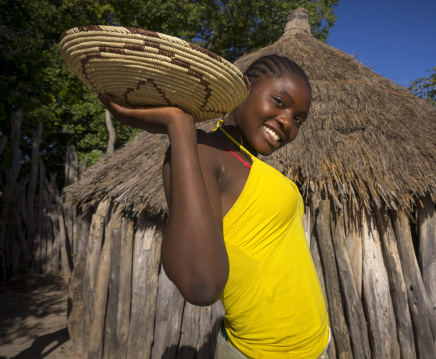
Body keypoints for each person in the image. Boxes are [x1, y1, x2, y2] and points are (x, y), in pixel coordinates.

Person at [99, 54, 330, 358]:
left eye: (298, 119)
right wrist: (179, 125)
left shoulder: (251, 164)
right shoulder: (206, 153)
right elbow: (201, 286)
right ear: (243, 89)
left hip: (315, 345)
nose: (288, 122)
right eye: (279, 102)